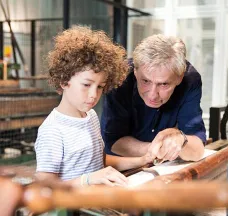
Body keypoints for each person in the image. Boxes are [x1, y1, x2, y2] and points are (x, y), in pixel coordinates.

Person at [35, 26, 155, 187]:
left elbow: (99, 160)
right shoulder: (53, 130)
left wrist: (140, 161)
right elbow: (46, 184)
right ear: (64, 81)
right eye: (86, 84)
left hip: (98, 201)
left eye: (100, 87)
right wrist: (88, 180)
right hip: (73, 210)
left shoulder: (90, 116)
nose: (94, 94)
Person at [101, 34, 206, 163]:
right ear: (135, 71)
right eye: (145, 81)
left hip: (162, 168)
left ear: (179, 77)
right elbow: (113, 141)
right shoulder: (120, 78)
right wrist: (159, 149)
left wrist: (181, 139)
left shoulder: (190, 80)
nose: (152, 95)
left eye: (163, 84)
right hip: (119, 166)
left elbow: (197, 149)